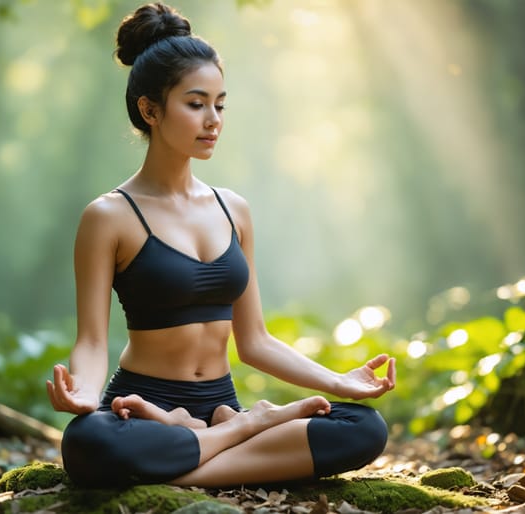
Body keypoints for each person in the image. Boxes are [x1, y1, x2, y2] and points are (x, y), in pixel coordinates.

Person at [46, 2, 396, 488]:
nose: (213, 119)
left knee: (362, 427)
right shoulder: (108, 216)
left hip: (218, 407)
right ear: (150, 109)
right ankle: (247, 431)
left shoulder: (234, 210)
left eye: (219, 104)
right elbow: (91, 340)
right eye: (195, 104)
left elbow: (254, 342)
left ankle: (194, 454)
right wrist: (82, 393)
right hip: (142, 409)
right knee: (89, 442)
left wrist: (340, 382)